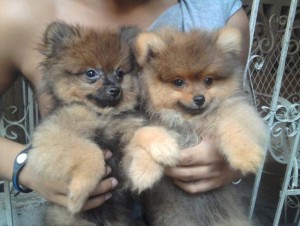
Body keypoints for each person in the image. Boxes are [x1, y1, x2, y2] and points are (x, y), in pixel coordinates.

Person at [0, 0, 249, 213]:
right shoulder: (20, 13)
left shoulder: (216, 10)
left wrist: (234, 157)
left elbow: (237, 113)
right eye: (90, 75)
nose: (113, 87)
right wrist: (25, 166)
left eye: (120, 74)